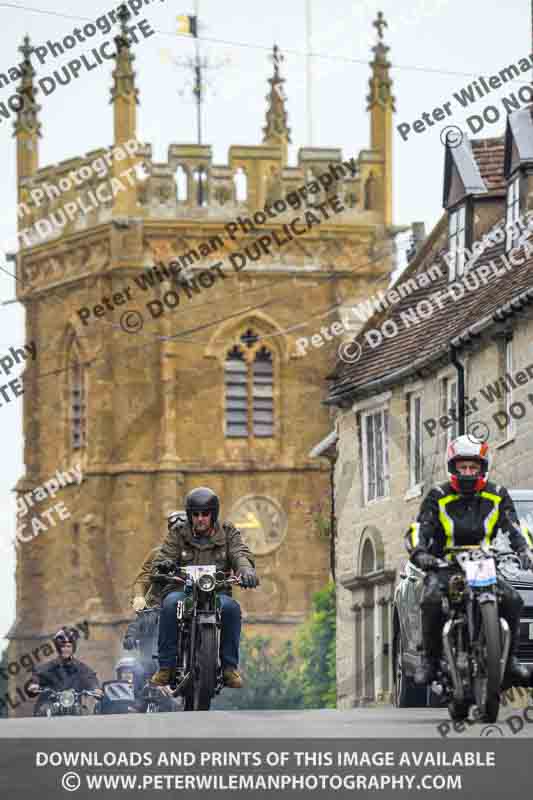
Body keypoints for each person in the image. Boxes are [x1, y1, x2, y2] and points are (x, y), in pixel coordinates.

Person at [405, 435, 533, 686]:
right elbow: (421, 527)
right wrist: (420, 552)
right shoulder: (437, 495)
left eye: (473, 467)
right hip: (446, 564)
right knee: (431, 599)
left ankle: (510, 660)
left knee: (513, 599)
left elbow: (513, 526)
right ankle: (430, 660)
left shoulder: (497, 494)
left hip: (484, 562)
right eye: (462, 467)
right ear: (452, 467)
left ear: (482, 468)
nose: (467, 472)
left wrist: (523, 551)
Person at [131, 487, 259, 691]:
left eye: (205, 514)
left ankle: (229, 667)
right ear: (190, 515)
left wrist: (246, 570)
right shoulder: (178, 533)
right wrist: (164, 564)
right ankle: (166, 667)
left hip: (217, 593)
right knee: (170, 604)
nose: (200, 519)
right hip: (184, 592)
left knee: (232, 608)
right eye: (196, 514)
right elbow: (166, 554)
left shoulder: (228, 532)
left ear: (213, 514)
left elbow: (239, 553)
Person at [27, 627, 103, 713]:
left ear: (73, 647)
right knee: (43, 710)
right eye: (63, 646)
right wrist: (34, 684)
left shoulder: (81, 668)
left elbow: (90, 677)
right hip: (51, 705)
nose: (66, 649)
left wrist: (95, 688)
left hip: (74, 706)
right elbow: (37, 675)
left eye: (68, 646)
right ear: (58, 648)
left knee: (84, 711)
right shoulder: (48, 667)